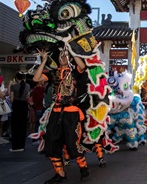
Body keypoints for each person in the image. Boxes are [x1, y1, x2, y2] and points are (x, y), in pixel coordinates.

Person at [33, 49, 90, 183]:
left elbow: (82, 66)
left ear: (70, 58)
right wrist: (44, 61)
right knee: (52, 143)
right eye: (61, 55)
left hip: (71, 112)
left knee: (72, 143)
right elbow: (36, 78)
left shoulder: (75, 72)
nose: (63, 58)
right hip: (56, 111)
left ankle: (83, 168)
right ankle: (60, 173)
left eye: (66, 56)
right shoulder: (53, 72)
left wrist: (72, 49)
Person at [9, 71, 31, 152]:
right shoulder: (28, 86)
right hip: (24, 105)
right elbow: (28, 97)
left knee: (15, 127)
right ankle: (22, 145)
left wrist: (9, 86)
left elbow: (11, 99)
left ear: (16, 78)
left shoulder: (14, 86)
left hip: (16, 105)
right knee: (23, 126)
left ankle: (15, 146)